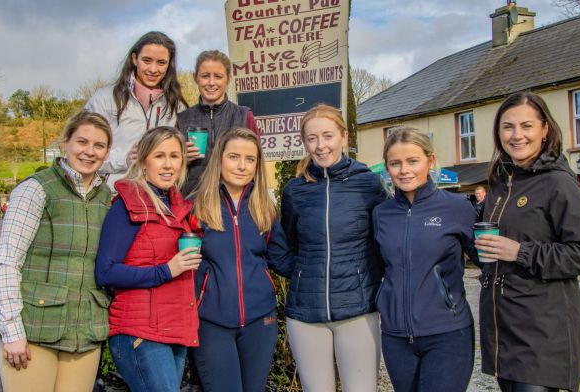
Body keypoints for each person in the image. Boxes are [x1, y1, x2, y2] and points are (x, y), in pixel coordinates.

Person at [475, 91, 580, 392]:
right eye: (508, 127)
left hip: (543, 332)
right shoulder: (500, 182)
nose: (517, 135)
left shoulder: (558, 182)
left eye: (526, 126)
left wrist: (520, 251)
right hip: (505, 328)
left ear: (545, 130)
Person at [0, 111, 113, 391]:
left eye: (99, 145)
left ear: (107, 152)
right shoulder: (35, 189)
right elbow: (8, 262)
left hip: (85, 332)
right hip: (34, 331)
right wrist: (12, 332)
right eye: (82, 142)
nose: (89, 152)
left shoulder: (107, 198)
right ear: (65, 142)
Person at [281, 104, 386, 391]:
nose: (320, 145)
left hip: (358, 309)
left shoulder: (369, 184)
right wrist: (302, 273)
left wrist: (367, 277)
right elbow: (289, 243)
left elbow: (383, 240)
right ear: (304, 143)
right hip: (306, 314)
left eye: (327, 136)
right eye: (312, 138)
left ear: (344, 137)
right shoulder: (295, 190)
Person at [95, 126, 202, 392]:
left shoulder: (178, 207)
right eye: (159, 156)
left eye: (175, 156)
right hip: (139, 333)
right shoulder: (129, 204)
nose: (168, 165)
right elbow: (106, 272)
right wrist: (166, 270)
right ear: (143, 161)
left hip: (173, 328)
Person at [372, 127, 476, 392]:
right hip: (396, 337)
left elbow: (488, 262)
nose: (404, 170)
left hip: (447, 333)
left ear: (430, 161)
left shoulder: (457, 208)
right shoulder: (381, 214)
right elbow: (379, 268)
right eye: (395, 163)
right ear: (387, 167)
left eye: (412, 161)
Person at [191, 127, 294, 391]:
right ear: (220, 159)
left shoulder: (264, 208)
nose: (242, 166)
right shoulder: (197, 206)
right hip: (212, 322)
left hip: (260, 321)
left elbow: (282, 261)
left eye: (250, 159)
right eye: (234, 157)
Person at [86, 31, 187, 189]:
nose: (153, 69)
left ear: (169, 65)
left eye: (161, 62)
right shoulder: (104, 99)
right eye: (147, 60)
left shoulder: (177, 106)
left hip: (159, 199)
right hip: (113, 195)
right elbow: (85, 151)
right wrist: (124, 159)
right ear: (134, 59)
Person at [177, 50, 260, 195]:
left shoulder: (244, 116)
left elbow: (257, 164)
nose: (211, 82)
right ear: (195, 78)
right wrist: (181, 159)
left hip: (236, 201)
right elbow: (170, 169)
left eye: (218, 76)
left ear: (228, 79)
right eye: (205, 76)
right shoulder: (181, 120)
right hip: (193, 202)